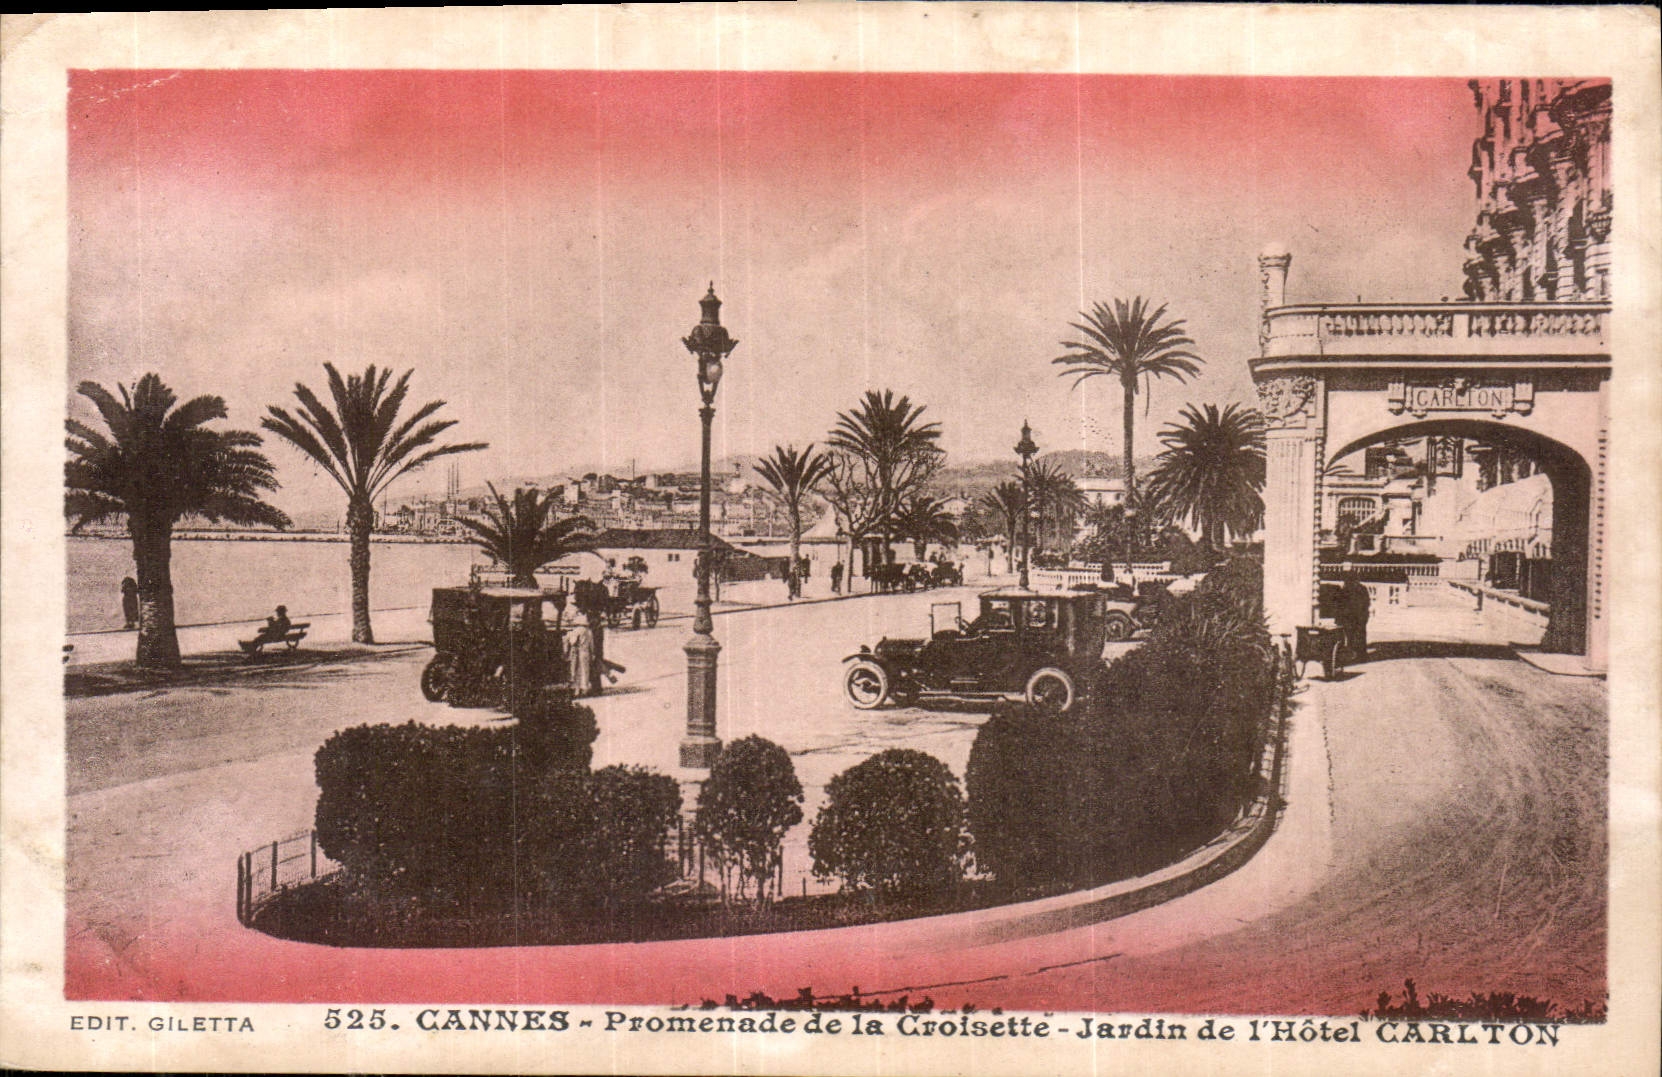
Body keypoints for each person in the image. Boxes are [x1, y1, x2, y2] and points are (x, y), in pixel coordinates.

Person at [1339, 575, 1371, 663]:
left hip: (1353, 617)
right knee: (1359, 636)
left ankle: (1354, 654)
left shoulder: (1346, 589)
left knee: (1351, 636)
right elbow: (1367, 603)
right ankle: (1361, 655)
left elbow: (1342, 604)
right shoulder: (1362, 589)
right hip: (1359, 617)